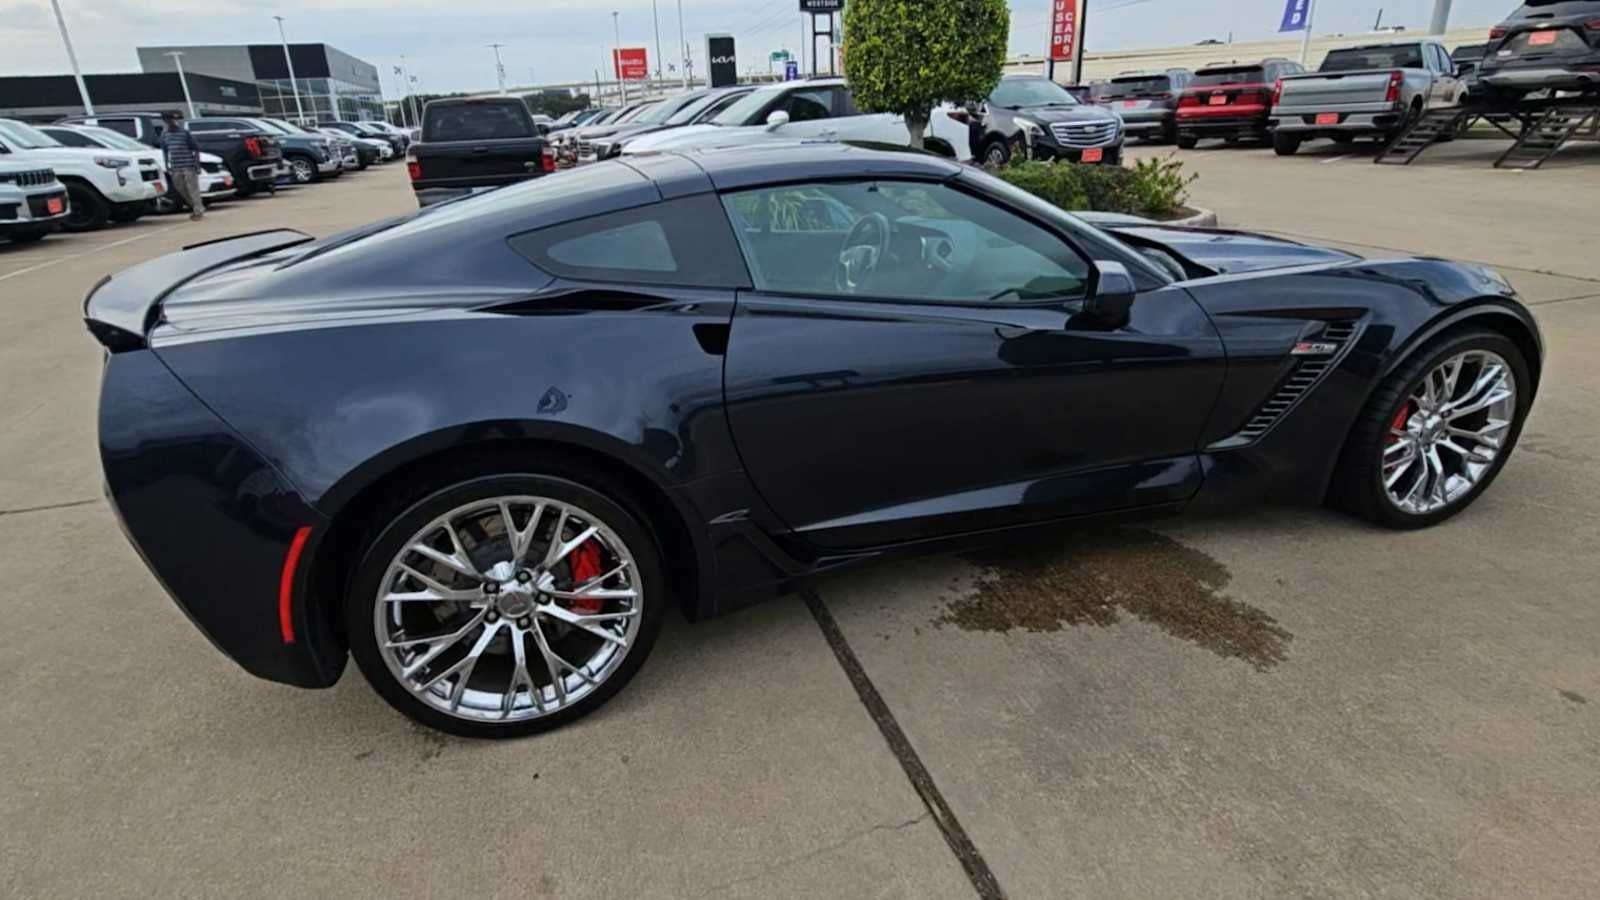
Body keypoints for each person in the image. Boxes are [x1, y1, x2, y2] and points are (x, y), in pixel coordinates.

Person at [159, 111, 205, 221]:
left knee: (193, 189)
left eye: (173, 120)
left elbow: (195, 148)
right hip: (175, 166)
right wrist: (166, 165)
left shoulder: (184, 133)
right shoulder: (165, 134)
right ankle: (195, 206)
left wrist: (197, 165)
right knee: (181, 189)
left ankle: (198, 211)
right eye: (169, 120)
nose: (172, 122)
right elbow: (165, 151)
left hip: (188, 165)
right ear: (165, 121)